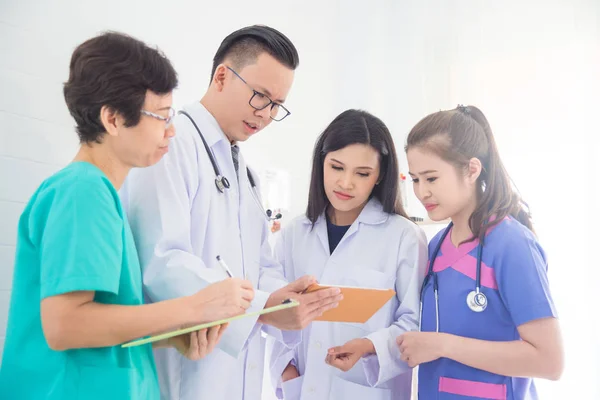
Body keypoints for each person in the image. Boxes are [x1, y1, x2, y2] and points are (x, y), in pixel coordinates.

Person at [0, 32, 253, 400]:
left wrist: (172, 336)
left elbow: (100, 324)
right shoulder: (82, 191)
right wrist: (194, 305)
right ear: (114, 118)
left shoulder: (99, 195)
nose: (171, 131)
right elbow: (65, 325)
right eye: (162, 117)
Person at [120, 25, 341, 400]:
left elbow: (258, 264)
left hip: (234, 376)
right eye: (260, 96)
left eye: (277, 105)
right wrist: (261, 308)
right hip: (184, 373)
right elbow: (161, 263)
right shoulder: (171, 146)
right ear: (222, 76)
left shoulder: (244, 171)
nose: (267, 114)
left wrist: (282, 296)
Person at [399, 105, 564, 399]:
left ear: (472, 169)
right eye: (415, 179)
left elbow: (550, 362)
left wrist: (442, 345)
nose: (421, 191)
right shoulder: (435, 248)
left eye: (431, 178)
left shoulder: (512, 245)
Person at [270, 109, 428, 400]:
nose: (346, 183)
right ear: (321, 164)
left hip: (367, 389)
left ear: (380, 176)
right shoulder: (295, 233)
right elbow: (274, 311)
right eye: (337, 167)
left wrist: (369, 345)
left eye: (362, 173)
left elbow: (414, 324)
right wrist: (284, 368)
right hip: (302, 388)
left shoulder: (404, 237)